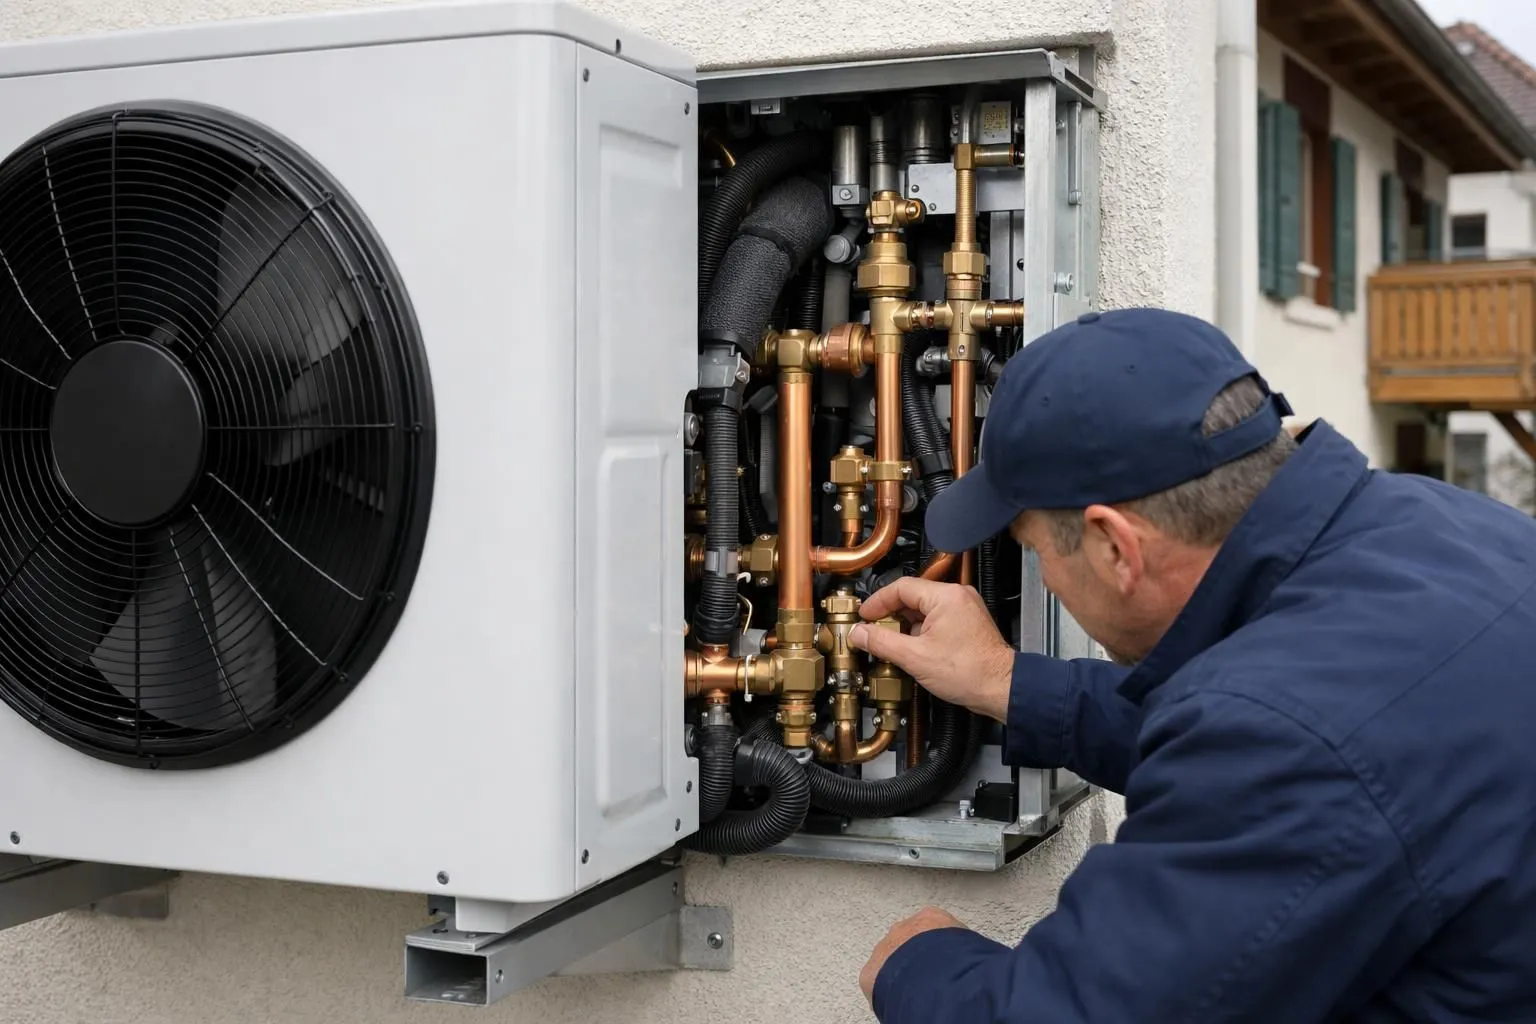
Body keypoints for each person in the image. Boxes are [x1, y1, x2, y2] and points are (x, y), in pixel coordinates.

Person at [846, 307, 1536, 1023]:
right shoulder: (1439, 524)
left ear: (1117, 548)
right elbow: (1298, 750)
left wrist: (918, 964)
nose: (1045, 580)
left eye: (1037, 551)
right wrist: (1006, 682)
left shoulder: (1290, 736)